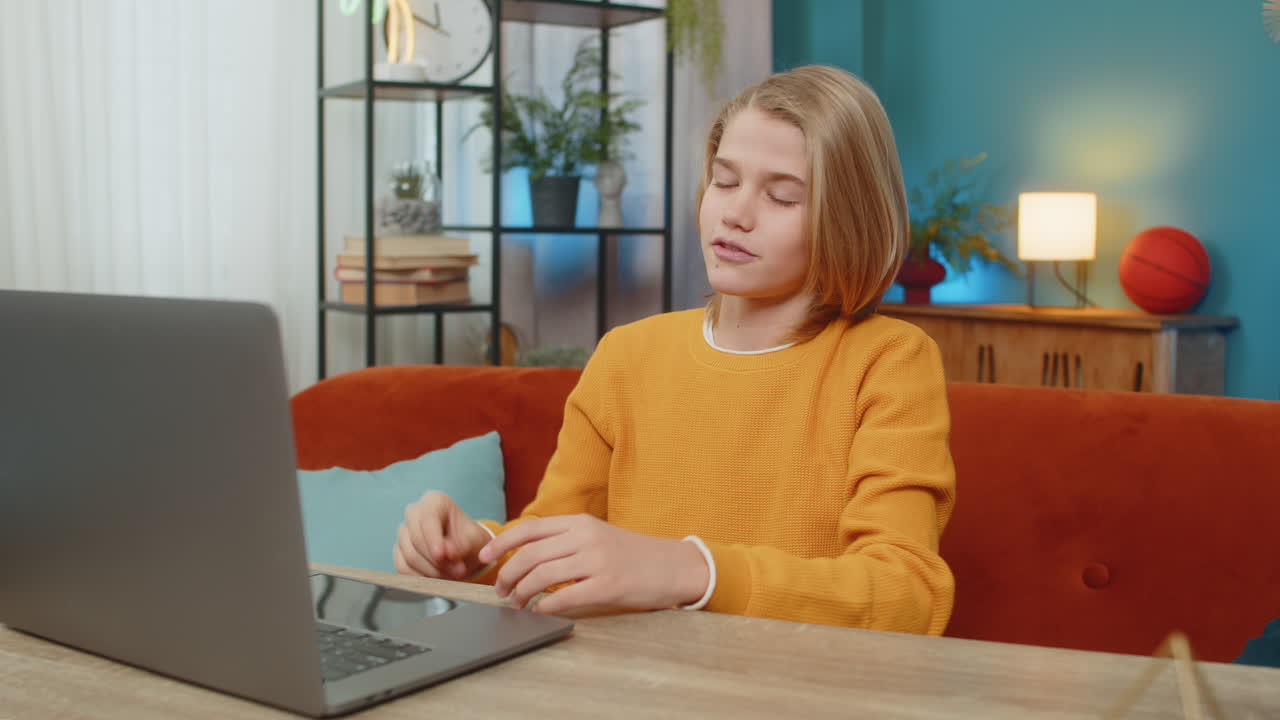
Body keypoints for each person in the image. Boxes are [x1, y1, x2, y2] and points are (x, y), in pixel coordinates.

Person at [395, 65, 957, 634]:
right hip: (634, 683)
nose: (735, 214)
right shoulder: (626, 355)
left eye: (782, 196)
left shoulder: (890, 361)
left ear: (848, 220)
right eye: (724, 180)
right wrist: (477, 551)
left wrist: (690, 570)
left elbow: (904, 594)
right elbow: (559, 547)